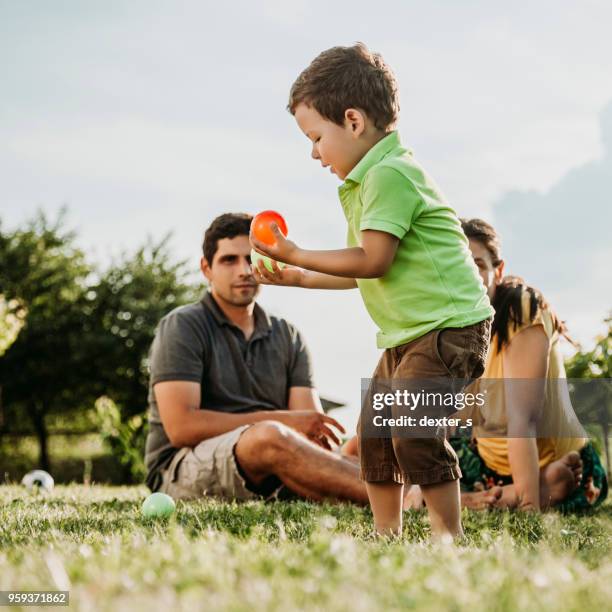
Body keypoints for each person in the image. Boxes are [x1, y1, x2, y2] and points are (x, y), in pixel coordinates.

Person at [250, 43, 494, 539]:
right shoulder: (366, 183)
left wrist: (297, 254)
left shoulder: (389, 174)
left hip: (450, 330)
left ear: (354, 122)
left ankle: (449, 538)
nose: (314, 153)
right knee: (376, 436)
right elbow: (361, 268)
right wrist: (298, 276)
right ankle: (388, 535)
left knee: (412, 430)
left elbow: (373, 259)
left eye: (317, 137)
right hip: (406, 335)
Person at [144, 212, 370, 504]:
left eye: (251, 259)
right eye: (229, 260)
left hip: (276, 461)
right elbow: (182, 428)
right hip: (181, 468)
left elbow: (312, 430)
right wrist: (281, 423)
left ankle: (418, 489)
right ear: (206, 268)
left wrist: (339, 451)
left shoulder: (287, 335)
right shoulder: (182, 326)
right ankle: (400, 500)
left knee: (380, 425)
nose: (244, 271)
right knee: (269, 436)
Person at [448, 218, 607, 512]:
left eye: (477, 264)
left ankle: (534, 488)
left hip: (558, 462)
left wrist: (529, 507)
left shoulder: (522, 307)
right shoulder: (454, 324)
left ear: (499, 270)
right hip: (488, 465)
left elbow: (523, 421)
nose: (466, 274)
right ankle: (475, 498)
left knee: (555, 479)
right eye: (455, 263)